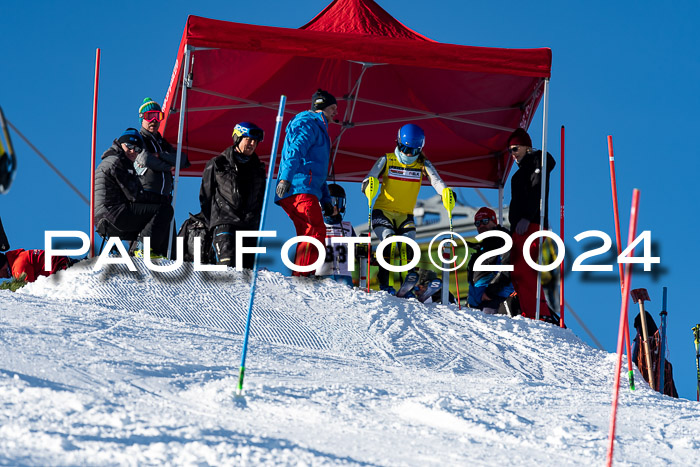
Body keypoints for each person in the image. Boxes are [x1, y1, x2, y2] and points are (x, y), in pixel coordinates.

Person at [361, 123, 453, 294]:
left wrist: (446, 193)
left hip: (405, 214)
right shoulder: (387, 160)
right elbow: (369, 178)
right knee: (388, 241)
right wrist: (369, 185)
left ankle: (408, 283)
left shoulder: (422, 164)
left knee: (408, 243)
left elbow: (437, 181)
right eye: (405, 149)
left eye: (414, 151)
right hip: (383, 211)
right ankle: (384, 284)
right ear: (397, 143)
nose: (409, 154)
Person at [275, 89, 337, 276]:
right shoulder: (308, 123)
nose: (335, 112)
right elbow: (295, 150)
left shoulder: (319, 129)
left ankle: (300, 275)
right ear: (322, 107)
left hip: (306, 187)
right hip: (297, 186)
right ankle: (302, 276)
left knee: (308, 232)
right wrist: (285, 178)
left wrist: (326, 200)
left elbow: (318, 172)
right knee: (315, 229)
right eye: (333, 108)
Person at [94, 128, 173, 257]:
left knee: (153, 221)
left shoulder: (116, 160)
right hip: (113, 214)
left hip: (104, 217)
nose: (133, 151)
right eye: (129, 146)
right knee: (164, 210)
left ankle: (137, 253)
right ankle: (145, 251)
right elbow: (135, 195)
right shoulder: (117, 162)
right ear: (121, 144)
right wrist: (160, 199)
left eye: (137, 149)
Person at [199, 122, 267, 268]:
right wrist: (213, 223)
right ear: (237, 138)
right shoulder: (218, 163)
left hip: (249, 227)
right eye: (248, 139)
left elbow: (261, 200)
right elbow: (205, 196)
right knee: (226, 268)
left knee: (247, 273)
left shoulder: (259, 169)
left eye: (255, 141)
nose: (252, 144)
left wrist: (254, 221)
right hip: (225, 224)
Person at [507, 128, 556, 320]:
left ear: (527, 147)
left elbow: (537, 190)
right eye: (510, 150)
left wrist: (527, 217)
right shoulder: (520, 173)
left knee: (525, 269)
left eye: (515, 148)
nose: (512, 154)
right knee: (517, 270)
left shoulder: (537, 162)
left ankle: (538, 313)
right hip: (519, 228)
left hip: (530, 225)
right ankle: (529, 310)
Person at [135, 97, 191, 203]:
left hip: (165, 196)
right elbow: (145, 159)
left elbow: (182, 160)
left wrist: (160, 155)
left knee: (166, 218)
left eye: (158, 116)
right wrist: (168, 166)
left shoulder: (162, 143)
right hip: (146, 193)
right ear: (142, 119)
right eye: (150, 116)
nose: (154, 120)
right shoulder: (139, 139)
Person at [466, 207, 515, 314]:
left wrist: (490, 293)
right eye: (478, 223)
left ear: (494, 221)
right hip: (477, 304)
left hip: (496, 301)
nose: (481, 225)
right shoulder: (483, 248)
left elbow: (507, 270)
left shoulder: (503, 241)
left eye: (485, 221)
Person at [316, 183, 356, 287]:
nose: (334, 206)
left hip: (343, 275)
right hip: (322, 274)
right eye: (332, 201)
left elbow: (356, 248)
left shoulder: (347, 227)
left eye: (339, 202)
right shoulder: (317, 225)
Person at [0, 249, 71, 283]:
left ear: (2, 266)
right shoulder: (18, 258)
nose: (0, 277)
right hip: (62, 264)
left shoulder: (18, 267)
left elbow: (27, 291)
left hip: (62, 269)